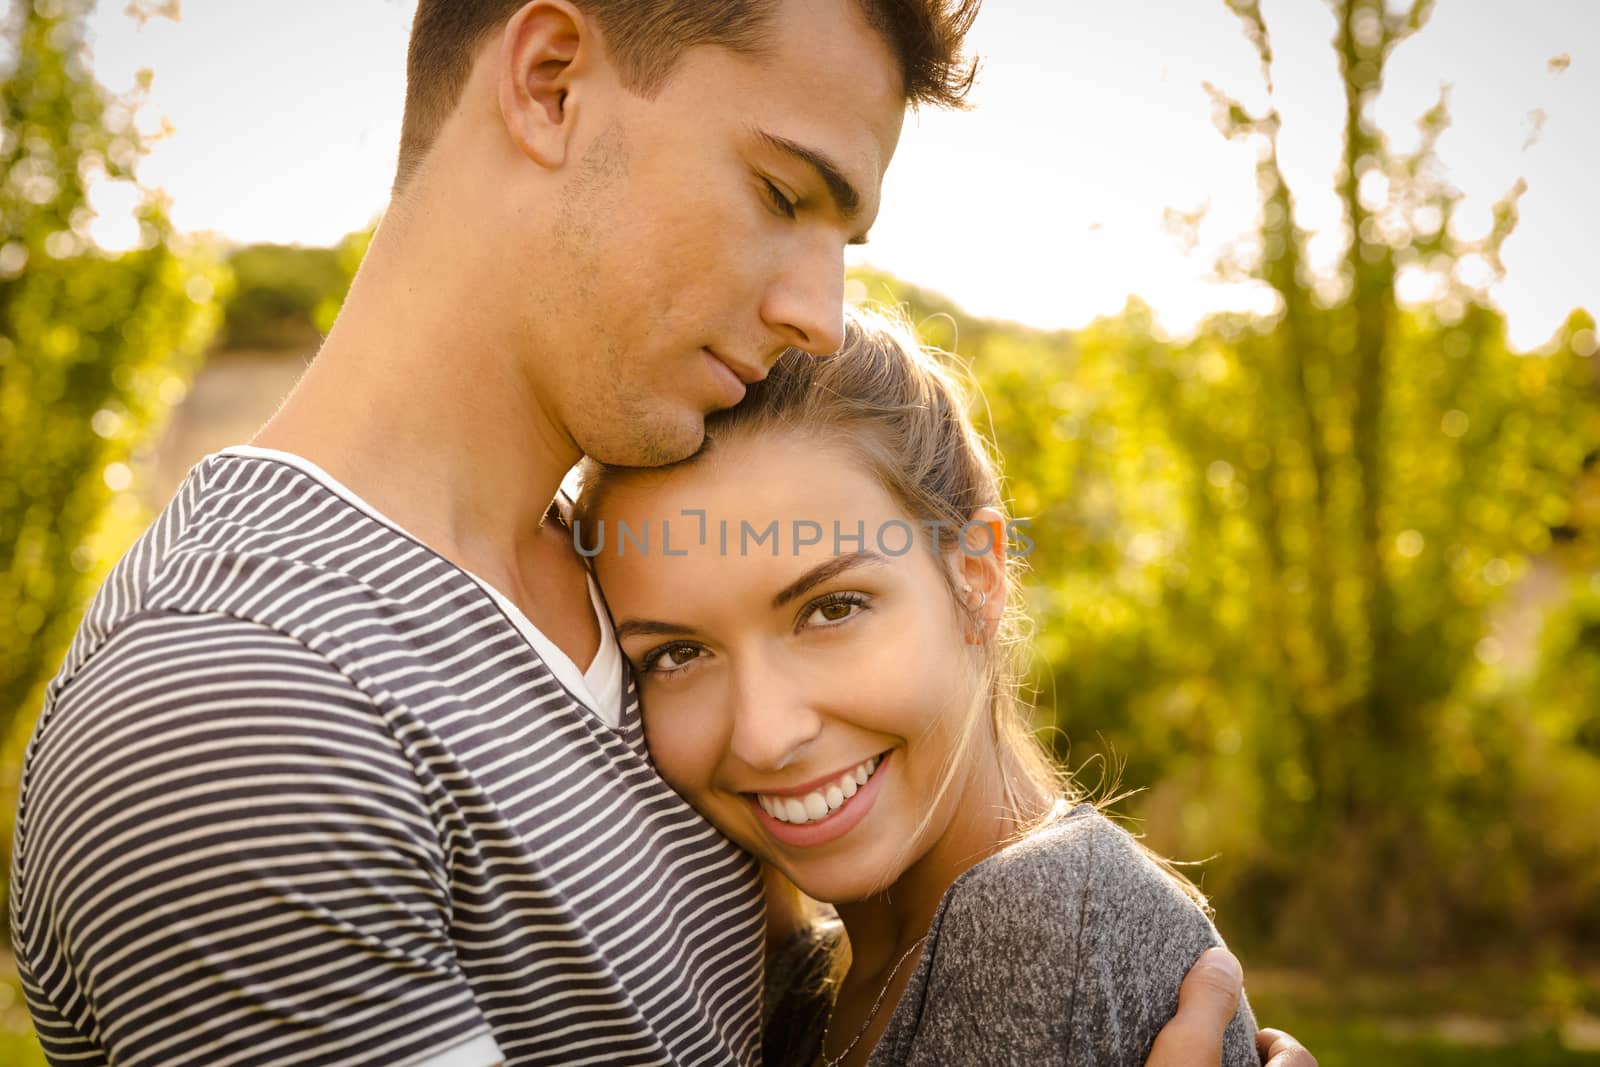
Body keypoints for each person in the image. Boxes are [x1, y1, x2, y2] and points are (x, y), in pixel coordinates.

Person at [7, 1, 1311, 1064]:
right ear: (553, 81)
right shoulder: (242, 698)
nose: (819, 310)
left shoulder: (615, 587)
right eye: (783, 190)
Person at [575, 309, 1303, 1066]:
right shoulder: (806, 988)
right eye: (678, 653)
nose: (765, 733)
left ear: (976, 578)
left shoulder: (1040, 914)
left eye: (831, 608)